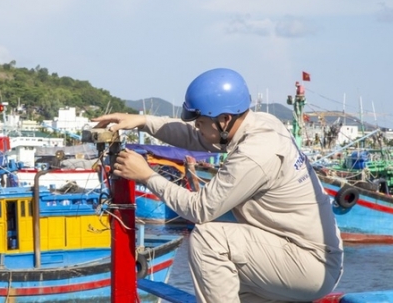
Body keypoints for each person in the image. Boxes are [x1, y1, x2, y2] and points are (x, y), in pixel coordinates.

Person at [92, 68, 343, 303]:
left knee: (209, 239)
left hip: (311, 265)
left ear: (224, 120)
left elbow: (200, 209)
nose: (197, 129)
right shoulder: (258, 123)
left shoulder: (255, 154)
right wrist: (143, 120)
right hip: (298, 253)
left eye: (200, 122)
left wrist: (147, 176)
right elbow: (193, 137)